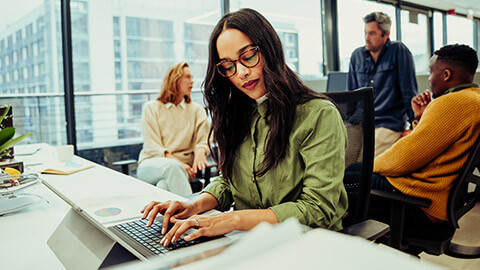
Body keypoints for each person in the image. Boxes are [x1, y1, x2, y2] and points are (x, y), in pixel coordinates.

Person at [141, 8, 348, 246]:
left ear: (270, 49)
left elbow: (318, 210)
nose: (241, 73)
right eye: (228, 66)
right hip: (247, 242)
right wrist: (194, 205)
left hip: (305, 244)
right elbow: (229, 181)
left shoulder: (318, 115)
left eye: (248, 56)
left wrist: (233, 219)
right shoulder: (241, 113)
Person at [369, 44, 480, 226]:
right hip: (439, 199)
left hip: (421, 202)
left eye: (431, 73)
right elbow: (437, 150)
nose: (429, 79)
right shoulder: (473, 99)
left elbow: (403, 159)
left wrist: (366, 168)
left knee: (349, 177)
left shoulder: (451, 103)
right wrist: (421, 117)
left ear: (446, 75)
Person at [348, 11, 417, 158]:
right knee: (341, 155)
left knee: (362, 161)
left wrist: (414, 126)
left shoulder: (399, 51)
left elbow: (408, 91)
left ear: (386, 34)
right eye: (365, 33)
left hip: (388, 124)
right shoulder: (357, 56)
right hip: (362, 124)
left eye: (372, 33)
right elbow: (352, 96)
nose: (367, 38)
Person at [136, 62, 210, 197]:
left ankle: (164, 217)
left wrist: (201, 151)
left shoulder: (196, 110)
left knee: (163, 186)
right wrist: (179, 163)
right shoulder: (151, 108)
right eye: (187, 77)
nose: (192, 82)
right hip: (151, 164)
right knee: (173, 167)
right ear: (175, 80)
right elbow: (152, 146)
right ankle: (193, 213)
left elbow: (203, 140)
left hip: (182, 171)